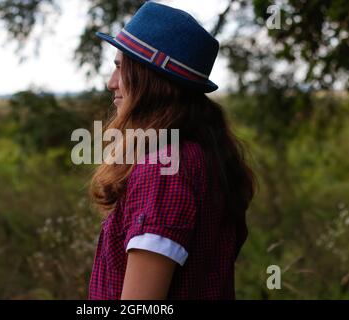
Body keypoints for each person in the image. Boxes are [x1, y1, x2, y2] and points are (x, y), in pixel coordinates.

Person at [88, 1, 255, 300]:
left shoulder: (163, 170)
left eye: (120, 68)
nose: (111, 83)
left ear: (150, 81)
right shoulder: (203, 156)